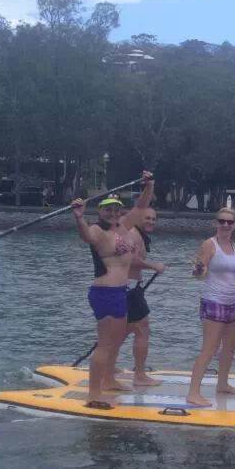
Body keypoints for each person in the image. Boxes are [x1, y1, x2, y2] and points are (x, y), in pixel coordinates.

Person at [71, 172, 156, 408]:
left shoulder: (124, 227)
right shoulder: (98, 230)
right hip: (105, 293)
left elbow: (141, 206)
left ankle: (108, 380)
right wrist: (79, 217)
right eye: (107, 209)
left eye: (116, 209)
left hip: (120, 292)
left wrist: (149, 185)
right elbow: (86, 237)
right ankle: (93, 394)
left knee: (115, 341)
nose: (112, 213)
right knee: (105, 344)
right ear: (100, 211)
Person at [186, 207, 235, 407]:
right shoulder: (209, 244)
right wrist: (198, 270)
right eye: (222, 221)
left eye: (230, 222)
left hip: (234, 302)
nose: (225, 225)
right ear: (216, 223)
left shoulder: (234, 246)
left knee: (230, 347)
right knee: (209, 349)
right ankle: (193, 392)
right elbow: (199, 272)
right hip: (214, 302)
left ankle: (222, 384)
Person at [124, 205, 166, 388]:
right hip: (129, 289)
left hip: (132, 288)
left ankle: (108, 368)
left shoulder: (138, 235)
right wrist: (153, 266)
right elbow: (129, 260)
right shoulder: (133, 235)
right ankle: (139, 376)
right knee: (142, 330)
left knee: (122, 331)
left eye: (154, 219)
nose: (151, 222)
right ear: (138, 218)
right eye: (147, 218)